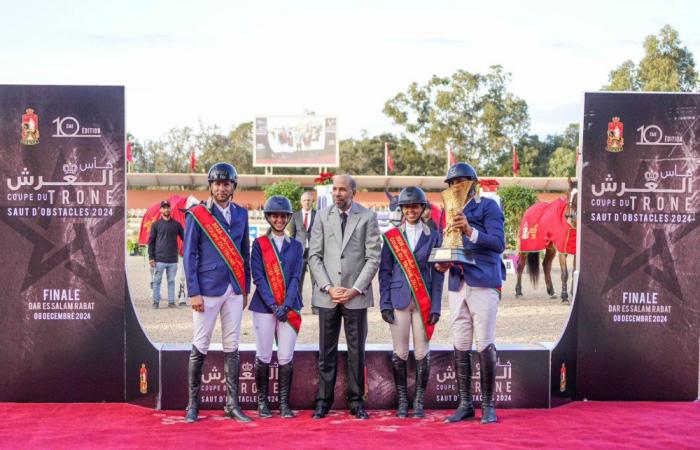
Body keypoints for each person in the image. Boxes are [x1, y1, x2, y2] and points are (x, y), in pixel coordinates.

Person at [435, 162, 505, 425]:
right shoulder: (448, 212)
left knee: (484, 342)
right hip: (457, 282)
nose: (456, 187)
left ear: (473, 184)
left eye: (460, 182)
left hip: (484, 281)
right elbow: (448, 245)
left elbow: (498, 243)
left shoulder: (488, 207)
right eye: (452, 184)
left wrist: (469, 230)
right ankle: (465, 403)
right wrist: (442, 262)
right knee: (460, 342)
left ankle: (488, 405)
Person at [182, 162, 252, 424]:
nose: (221, 188)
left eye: (226, 184)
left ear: (233, 187)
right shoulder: (197, 214)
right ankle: (192, 405)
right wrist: (193, 291)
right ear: (210, 186)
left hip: (233, 288)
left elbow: (244, 254)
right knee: (200, 344)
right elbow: (189, 255)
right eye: (217, 184)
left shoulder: (242, 214)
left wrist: (244, 288)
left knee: (232, 345)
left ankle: (232, 405)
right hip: (207, 289)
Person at [308, 174, 381, 420]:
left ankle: (356, 401)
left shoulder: (368, 217)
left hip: (355, 296)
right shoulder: (321, 216)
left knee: (356, 351)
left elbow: (373, 257)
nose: (337, 193)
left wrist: (355, 289)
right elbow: (314, 256)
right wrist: (328, 286)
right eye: (334, 189)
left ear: (353, 192)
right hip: (328, 295)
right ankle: (323, 401)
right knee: (325, 351)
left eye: (342, 190)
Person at [378, 186, 444, 418]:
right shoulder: (391, 237)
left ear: (422, 208)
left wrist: (436, 305)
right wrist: (384, 303)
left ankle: (419, 401)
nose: (411, 210)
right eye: (407, 207)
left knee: (422, 352)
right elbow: (384, 272)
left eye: (415, 206)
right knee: (401, 352)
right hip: (398, 300)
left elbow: (438, 275)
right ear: (402, 209)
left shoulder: (434, 236)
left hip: (423, 301)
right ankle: (403, 400)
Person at [249, 195, 304, 419]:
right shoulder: (259, 244)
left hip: (289, 307)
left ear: (288, 218)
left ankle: (283, 404)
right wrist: (273, 304)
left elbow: (295, 277)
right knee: (263, 355)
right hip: (264, 307)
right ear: (268, 217)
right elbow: (258, 276)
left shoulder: (297, 246)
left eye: (283, 216)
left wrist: (286, 304)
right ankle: (262, 402)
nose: (279, 220)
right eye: (275, 216)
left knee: (285, 356)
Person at [148, 200, 184, 309]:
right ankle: (156, 301)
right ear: (161, 210)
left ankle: (171, 302)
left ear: (170, 209)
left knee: (171, 281)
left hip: (173, 259)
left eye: (168, 207)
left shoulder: (177, 225)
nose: (166, 209)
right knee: (157, 281)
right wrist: (151, 257)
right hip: (159, 259)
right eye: (164, 207)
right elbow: (151, 242)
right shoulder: (155, 225)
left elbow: (186, 238)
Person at [287, 191, 316, 296]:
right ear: (301, 202)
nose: (307, 202)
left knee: (316, 281)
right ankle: (297, 306)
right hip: (300, 252)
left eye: (309, 200)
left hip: (314, 252)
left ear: (312, 201)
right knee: (298, 280)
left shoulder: (318, 215)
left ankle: (316, 306)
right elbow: (292, 236)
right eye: (304, 200)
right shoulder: (295, 216)